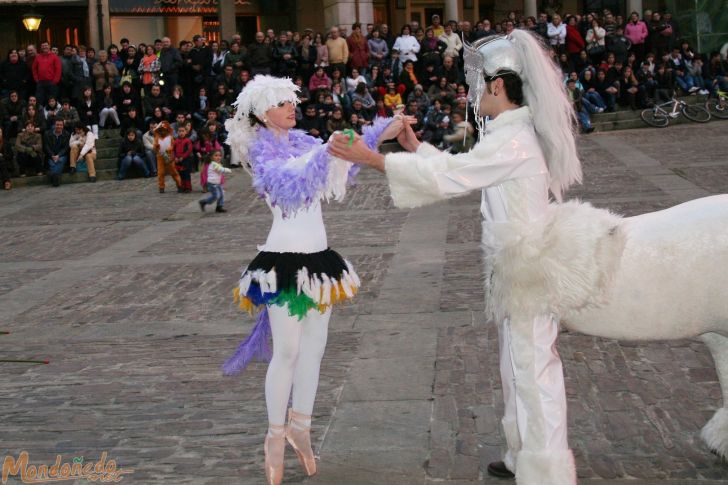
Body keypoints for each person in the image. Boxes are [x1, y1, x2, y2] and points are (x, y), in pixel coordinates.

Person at [328, 30, 609, 485]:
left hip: (529, 268)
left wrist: (375, 159)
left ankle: (548, 471)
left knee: (533, 368)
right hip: (517, 267)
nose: (470, 93)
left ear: (498, 86)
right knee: (516, 365)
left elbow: (456, 176)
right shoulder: (508, 135)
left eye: (477, 85)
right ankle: (524, 455)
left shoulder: (512, 141)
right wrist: (417, 149)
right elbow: (465, 170)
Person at [221, 74, 401, 485]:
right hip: (283, 263)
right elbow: (296, 179)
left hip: (319, 261)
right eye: (282, 103)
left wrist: (381, 130)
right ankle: (274, 436)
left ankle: (300, 425)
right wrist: (335, 147)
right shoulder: (262, 154)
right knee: (287, 350)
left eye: (291, 101)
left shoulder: (306, 143)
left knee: (316, 348)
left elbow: (340, 159)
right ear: (264, 113)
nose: (291, 107)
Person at [152, 120, 181, 193]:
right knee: (160, 172)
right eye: (161, 130)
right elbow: (154, 149)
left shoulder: (170, 137)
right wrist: (156, 147)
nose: (162, 132)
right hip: (160, 156)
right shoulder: (157, 138)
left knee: (173, 171)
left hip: (169, 156)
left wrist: (170, 150)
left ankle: (179, 185)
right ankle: (161, 187)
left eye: (164, 130)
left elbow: (173, 146)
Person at [44, 118, 70, 187]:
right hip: (51, 155)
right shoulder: (47, 134)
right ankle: (55, 178)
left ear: (63, 126)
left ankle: (52, 175)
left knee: (60, 161)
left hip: (62, 155)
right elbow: (46, 147)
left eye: (61, 125)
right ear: (54, 125)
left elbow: (66, 148)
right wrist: (52, 155)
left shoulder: (67, 134)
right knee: (52, 162)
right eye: (57, 125)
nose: (59, 126)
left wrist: (58, 155)